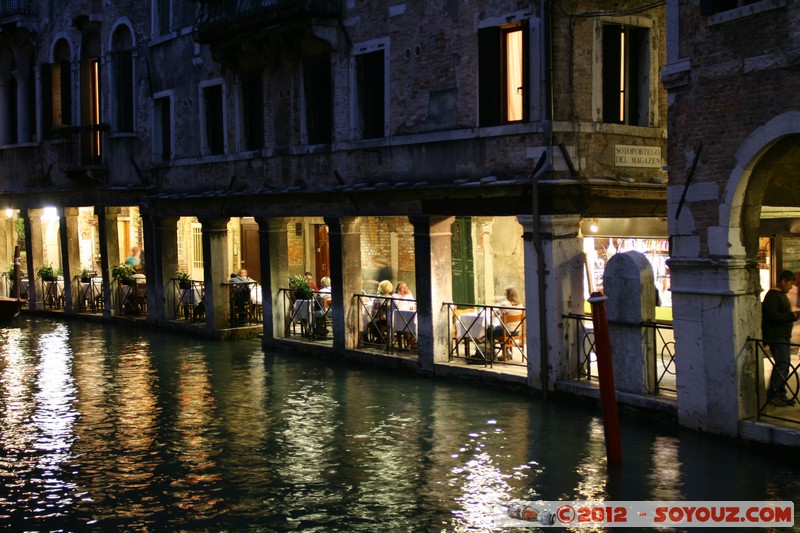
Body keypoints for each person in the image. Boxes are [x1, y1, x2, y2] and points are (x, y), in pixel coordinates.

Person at [761, 270, 800, 407]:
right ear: (783, 281)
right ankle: (776, 395)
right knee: (783, 364)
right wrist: (792, 316)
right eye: (790, 283)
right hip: (776, 336)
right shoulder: (772, 296)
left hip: (782, 335)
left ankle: (778, 393)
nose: (791, 287)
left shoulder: (780, 295)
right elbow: (772, 316)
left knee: (784, 364)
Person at [487, 286, 524, 358]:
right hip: (516, 331)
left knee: (489, 330)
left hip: (506, 331)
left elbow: (497, 315)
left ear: (508, 294)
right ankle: (507, 352)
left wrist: (495, 311)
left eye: (505, 294)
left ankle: (492, 353)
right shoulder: (520, 304)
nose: (504, 295)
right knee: (499, 329)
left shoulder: (505, 304)